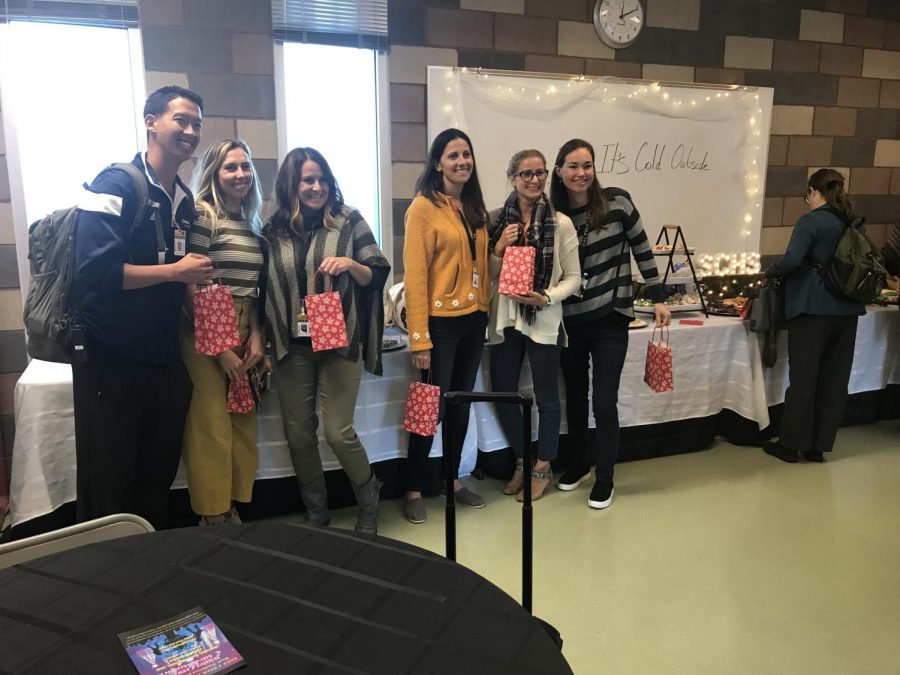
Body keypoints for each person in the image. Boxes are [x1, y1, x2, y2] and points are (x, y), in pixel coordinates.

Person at [72, 85, 212, 528]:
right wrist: (176, 272)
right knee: (111, 482)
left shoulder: (185, 200)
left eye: (196, 124)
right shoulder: (113, 183)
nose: (190, 131)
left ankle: (150, 569)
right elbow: (93, 272)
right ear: (151, 122)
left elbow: (179, 272)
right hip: (112, 359)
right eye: (181, 120)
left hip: (164, 359)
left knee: (156, 480)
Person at [263, 147, 390, 534]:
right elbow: (264, 287)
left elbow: (378, 272)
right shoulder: (272, 231)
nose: (316, 186)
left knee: (338, 432)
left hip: (339, 344)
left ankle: (369, 497)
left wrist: (352, 265)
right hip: (292, 348)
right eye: (307, 179)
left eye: (321, 178)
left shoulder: (348, 221)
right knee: (299, 434)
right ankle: (316, 510)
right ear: (291, 184)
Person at [549, 138, 671, 510]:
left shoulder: (617, 202)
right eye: (572, 166)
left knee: (604, 401)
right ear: (559, 171)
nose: (581, 173)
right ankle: (578, 464)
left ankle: (605, 477)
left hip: (610, 319)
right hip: (568, 320)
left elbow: (642, 247)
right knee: (574, 396)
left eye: (587, 165)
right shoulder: (554, 215)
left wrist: (659, 296)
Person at [402, 128, 491, 524]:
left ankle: (451, 479)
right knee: (429, 408)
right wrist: (419, 339)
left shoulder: (472, 206)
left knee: (460, 404)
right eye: (453, 155)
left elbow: (476, 264)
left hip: (474, 320)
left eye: (466, 155)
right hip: (440, 325)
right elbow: (416, 277)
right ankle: (414, 487)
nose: (462, 162)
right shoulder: (423, 208)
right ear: (437, 163)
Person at [180, 139, 268, 525]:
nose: (240, 175)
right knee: (211, 424)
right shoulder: (203, 215)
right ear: (214, 173)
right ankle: (212, 517)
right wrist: (218, 348)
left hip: (244, 324)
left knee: (241, 420)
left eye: (245, 167)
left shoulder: (252, 224)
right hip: (205, 329)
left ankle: (232, 506)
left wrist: (257, 337)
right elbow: (190, 285)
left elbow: (256, 289)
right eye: (231, 167)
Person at [488, 149, 581, 501]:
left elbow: (574, 278)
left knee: (546, 398)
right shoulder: (498, 220)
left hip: (543, 317)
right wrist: (499, 247)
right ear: (513, 178)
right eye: (526, 174)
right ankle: (522, 461)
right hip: (507, 317)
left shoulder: (560, 224)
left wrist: (547, 297)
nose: (534, 180)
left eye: (540, 173)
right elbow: (489, 276)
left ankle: (543, 465)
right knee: (502, 389)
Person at [762, 169, 865, 464]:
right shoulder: (850, 222)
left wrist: (771, 271)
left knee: (804, 378)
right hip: (847, 310)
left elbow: (793, 260)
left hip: (812, 309)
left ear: (814, 191)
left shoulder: (810, 222)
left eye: (808, 194)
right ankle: (818, 446)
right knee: (834, 379)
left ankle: (791, 444)